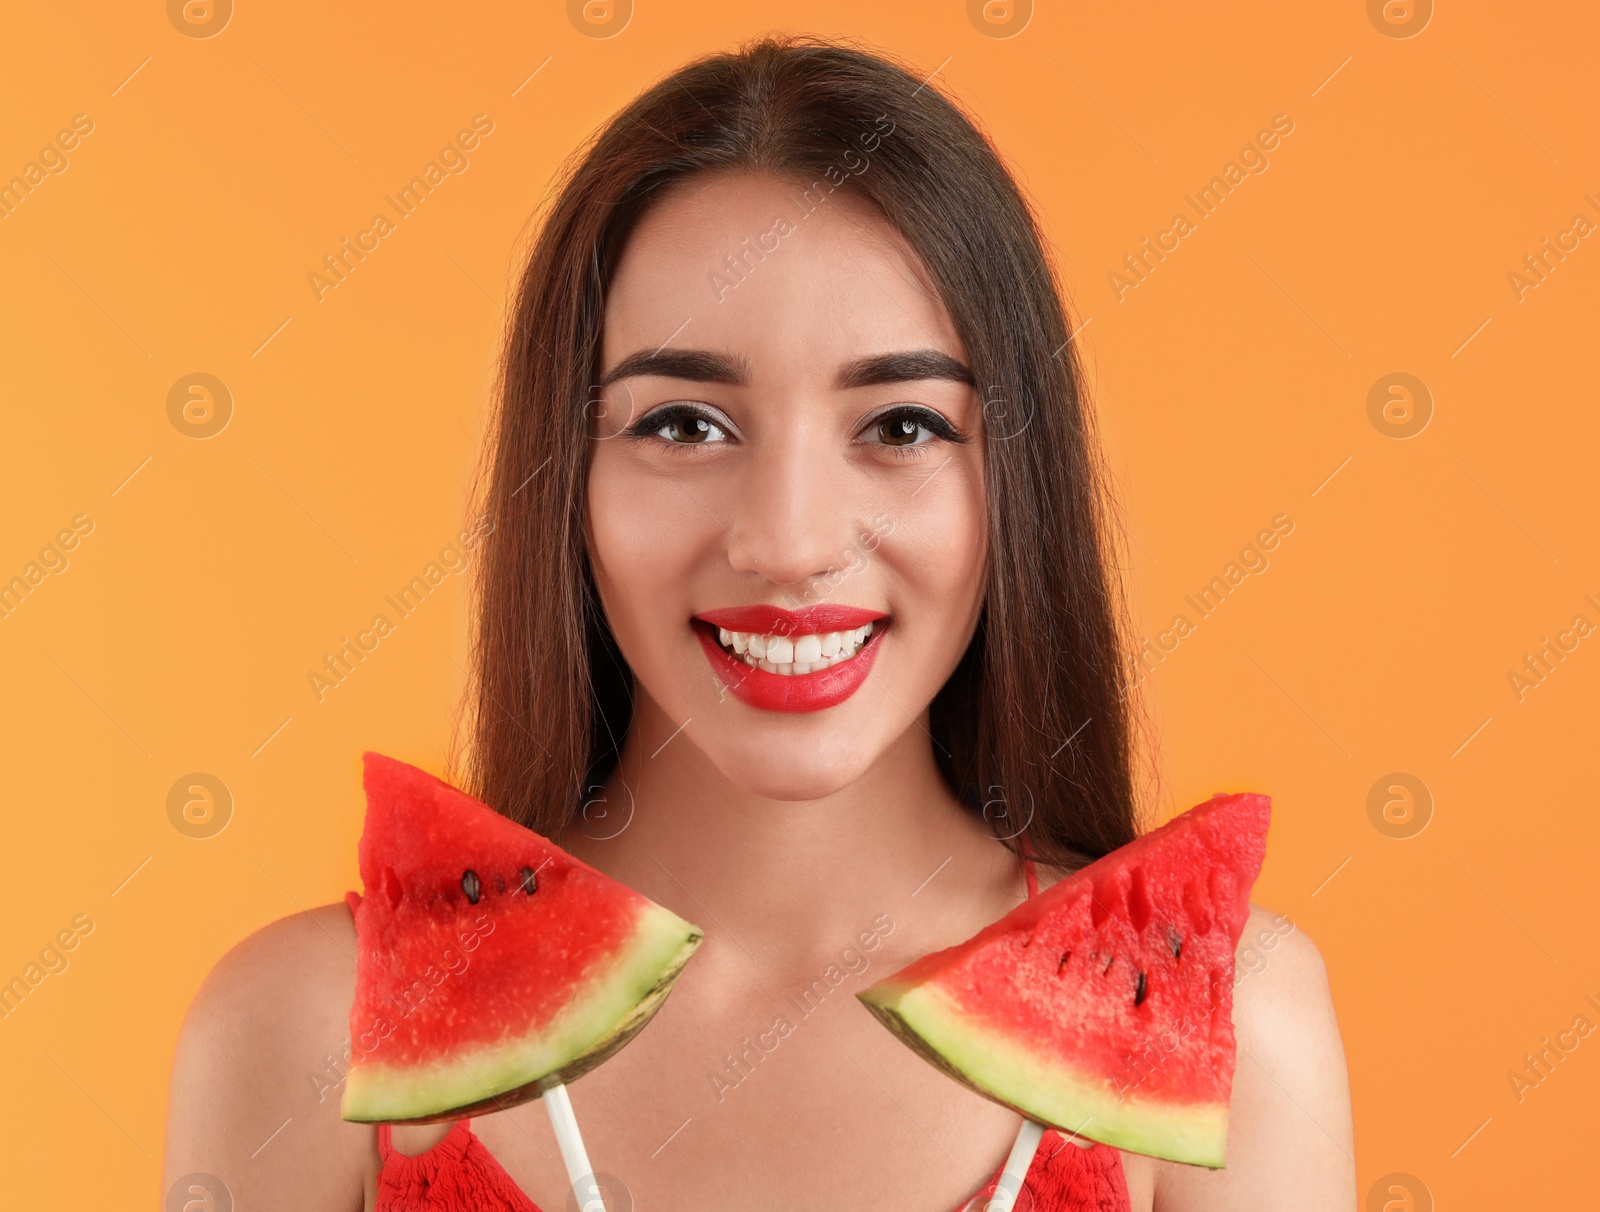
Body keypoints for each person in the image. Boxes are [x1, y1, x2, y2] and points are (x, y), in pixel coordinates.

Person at [164, 36, 1354, 1210]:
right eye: (683, 424)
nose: (788, 543)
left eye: (901, 425)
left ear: (1015, 478)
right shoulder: (305, 1033)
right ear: (563, 475)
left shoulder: (1236, 1023)